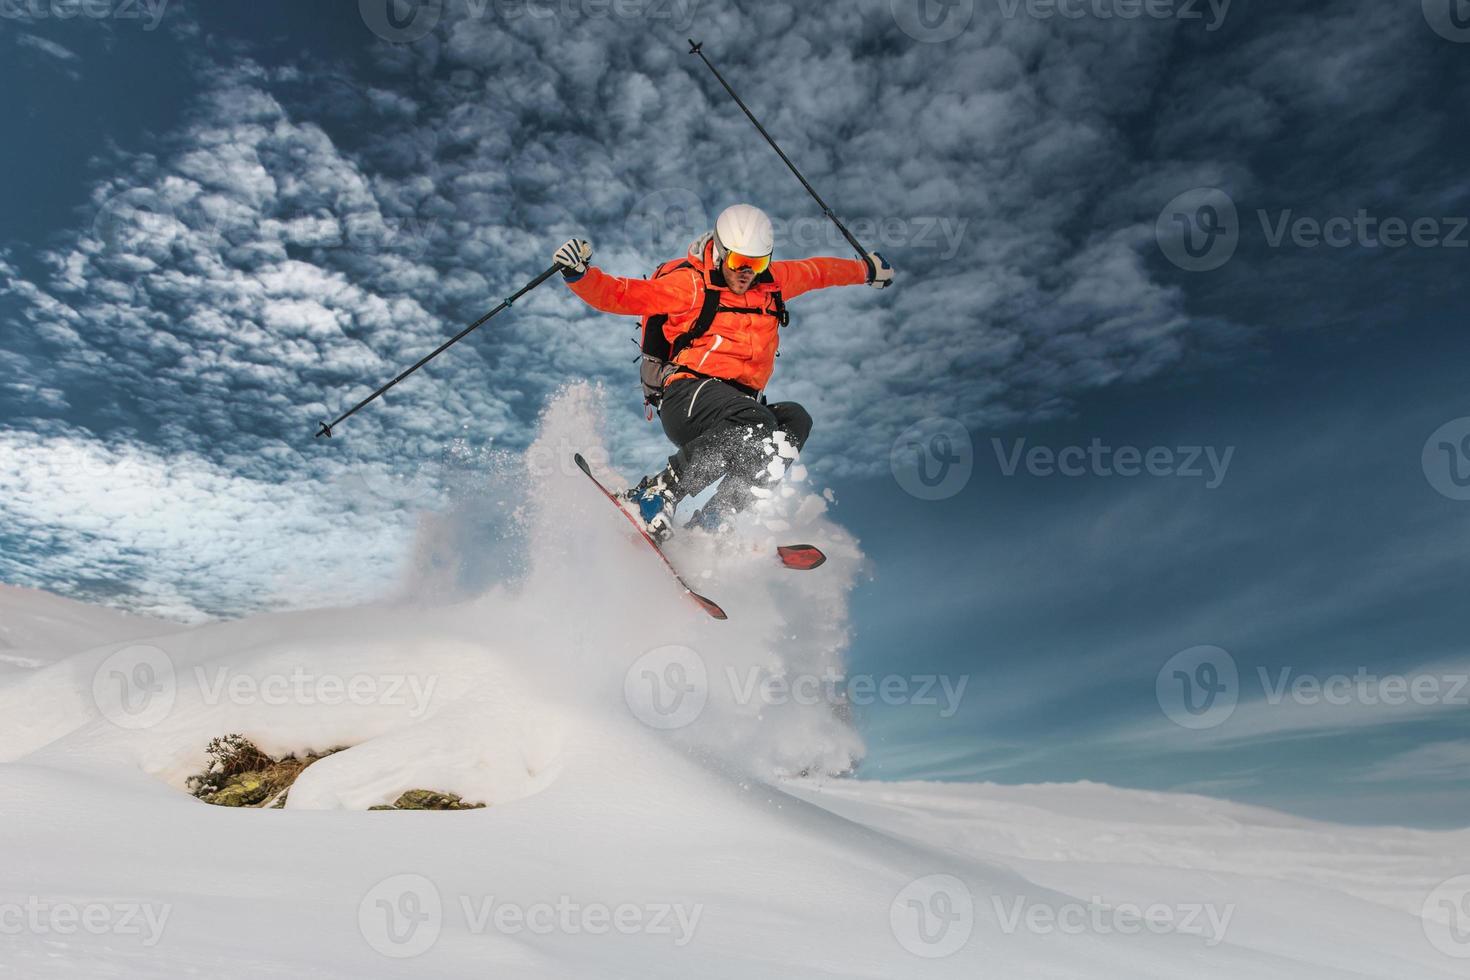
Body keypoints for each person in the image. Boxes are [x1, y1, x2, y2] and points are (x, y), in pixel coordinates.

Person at [553, 203, 894, 540]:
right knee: (756, 422)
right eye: (738, 262)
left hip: (737, 411)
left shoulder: (773, 284)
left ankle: (716, 519)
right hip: (687, 397)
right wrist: (579, 275)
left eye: (758, 263)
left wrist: (865, 270)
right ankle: (657, 492)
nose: (747, 272)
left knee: (794, 422)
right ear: (719, 251)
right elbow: (624, 295)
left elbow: (818, 272)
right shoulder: (691, 286)